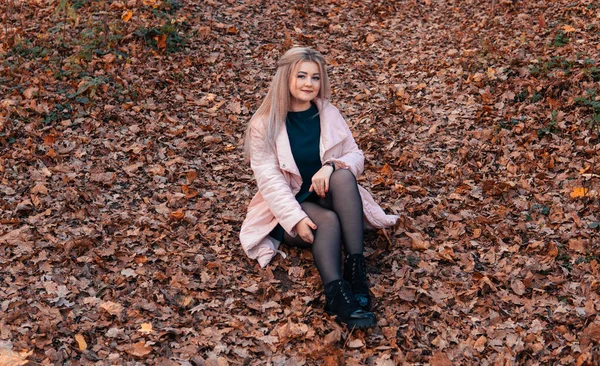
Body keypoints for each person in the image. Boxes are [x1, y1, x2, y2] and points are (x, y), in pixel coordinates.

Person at [239, 47, 398, 329]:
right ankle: (336, 294)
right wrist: (296, 219)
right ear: (285, 77)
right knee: (328, 221)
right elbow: (270, 180)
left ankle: (356, 273)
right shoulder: (265, 124)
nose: (309, 84)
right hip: (291, 204)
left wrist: (331, 165)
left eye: (315, 77)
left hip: (327, 193)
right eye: (301, 76)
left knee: (344, 176)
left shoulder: (328, 112)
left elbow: (355, 155)